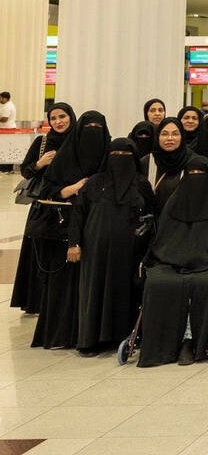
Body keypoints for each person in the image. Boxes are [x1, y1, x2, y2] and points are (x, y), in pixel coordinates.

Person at [137, 156, 208, 366]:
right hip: (172, 262)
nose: (195, 180)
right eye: (191, 175)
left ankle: (192, 341)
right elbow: (163, 239)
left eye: (200, 176)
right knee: (157, 281)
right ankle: (161, 345)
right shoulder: (176, 201)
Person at [31, 111, 110, 349]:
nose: (92, 134)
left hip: (98, 231)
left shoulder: (110, 158)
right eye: (88, 128)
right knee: (63, 287)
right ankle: (61, 335)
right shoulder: (64, 159)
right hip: (63, 232)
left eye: (98, 128)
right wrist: (73, 188)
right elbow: (46, 192)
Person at [68, 138, 153, 354]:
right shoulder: (94, 183)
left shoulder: (142, 184)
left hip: (130, 250)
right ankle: (91, 339)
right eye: (116, 156)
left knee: (124, 291)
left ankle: (124, 337)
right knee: (94, 290)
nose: (120, 161)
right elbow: (78, 215)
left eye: (126, 156)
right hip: (95, 250)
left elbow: (152, 215)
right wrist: (73, 244)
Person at [12, 102, 76, 314]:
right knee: (40, 253)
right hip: (43, 207)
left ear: (71, 116)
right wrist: (41, 163)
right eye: (54, 118)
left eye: (62, 117)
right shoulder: (43, 141)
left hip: (69, 206)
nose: (58, 121)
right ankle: (38, 301)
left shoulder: (79, 141)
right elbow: (26, 171)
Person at [147, 118, 191, 214]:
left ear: (182, 136)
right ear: (157, 136)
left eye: (175, 134)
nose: (170, 138)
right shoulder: (147, 162)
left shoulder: (193, 162)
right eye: (164, 134)